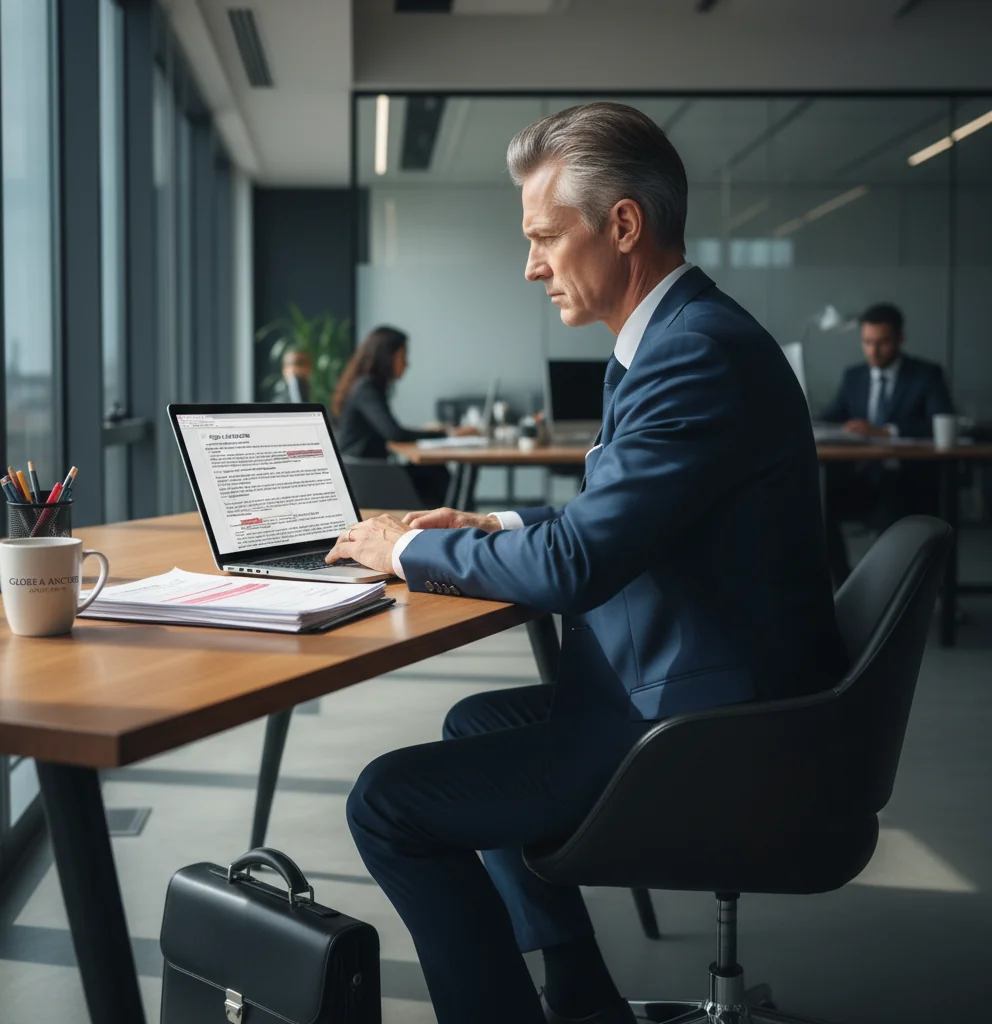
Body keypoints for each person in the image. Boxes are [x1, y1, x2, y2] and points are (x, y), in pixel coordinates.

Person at [327, 103, 847, 1024]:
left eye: (543, 237)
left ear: (623, 225)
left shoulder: (695, 356)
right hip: (716, 688)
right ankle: (578, 989)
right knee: (471, 722)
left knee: (386, 804)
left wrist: (404, 548)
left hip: (711, 730)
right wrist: (483, 519)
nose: (531, 265)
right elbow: (624, 518)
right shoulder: (681, 340)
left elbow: (575, 565)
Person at [819, 302, 954, 585]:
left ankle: (886, 593)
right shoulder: (854, 376)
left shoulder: (926, 375)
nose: (874, 351)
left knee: (890, 507)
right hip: (862, 477)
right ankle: (846, 584)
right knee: (817, 504)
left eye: (882, 342)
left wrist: (885, 431)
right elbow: (830, 418)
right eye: (867, 342)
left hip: (909, 479)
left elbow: (940, 422)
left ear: (899, 339)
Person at [331, 326, 472, 508]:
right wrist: (446, 434)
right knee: (435, 473)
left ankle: (457, 521)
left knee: (434, 472)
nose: (407, 364)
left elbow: (391, 431)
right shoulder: (366, 388)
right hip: (366, 474)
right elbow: (395, 433)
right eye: (403, 356)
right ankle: (457, 521)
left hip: (370, 470)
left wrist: (439, 433)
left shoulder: (368, 387)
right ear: (387, 357)